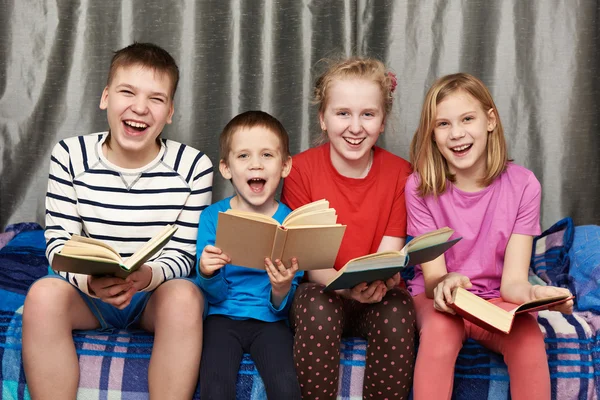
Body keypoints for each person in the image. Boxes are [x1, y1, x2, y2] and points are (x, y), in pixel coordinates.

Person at [22, 42, 213, 400]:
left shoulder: (194, 166)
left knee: (186, 297)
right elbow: (58, 243)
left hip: (153, 296)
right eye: (127, 92)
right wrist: (92, 283)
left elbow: (186, 254)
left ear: (170, 111)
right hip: (87, 294)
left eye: (156, 99)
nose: (139, 107)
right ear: (106, 97)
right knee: (42, 295)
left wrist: (147, 277)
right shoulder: (69, 155)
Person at [406, 72, 574, 400]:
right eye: (443, 124)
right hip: (440, 300)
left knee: (528, 338)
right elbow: (432, 279)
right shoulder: (418, 187)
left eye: (467, 119)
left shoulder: (524, 185)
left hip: (496, 300)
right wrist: (447, 283)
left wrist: (535, 295)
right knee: (441, 332)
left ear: (490, 120)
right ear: (432, 134)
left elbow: (512, 281)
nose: (456, 134)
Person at [281, 57, 416, 399]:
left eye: (367, 114)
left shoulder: (401, 173)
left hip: (375, 294)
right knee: (315, 306)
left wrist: (383, 281)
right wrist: (345, 290)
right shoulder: (299, 170)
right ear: (322, 119)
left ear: (382, 121)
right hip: (325, 287)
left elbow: (390, 251)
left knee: (400, 311)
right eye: (343, 113)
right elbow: (311, 262)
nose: (355, 127)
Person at [196, 110, 302, 399]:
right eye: (243, 156)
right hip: (222, 318)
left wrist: (280, 289)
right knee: (215, 388)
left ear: (285, 166)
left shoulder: (292, 222)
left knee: (286, 387)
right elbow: (212, 295)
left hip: (271, 322)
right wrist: (207, 272)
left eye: (267, 155)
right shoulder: (212, 217)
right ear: (226, 168)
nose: (256, 164)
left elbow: (287, 297)